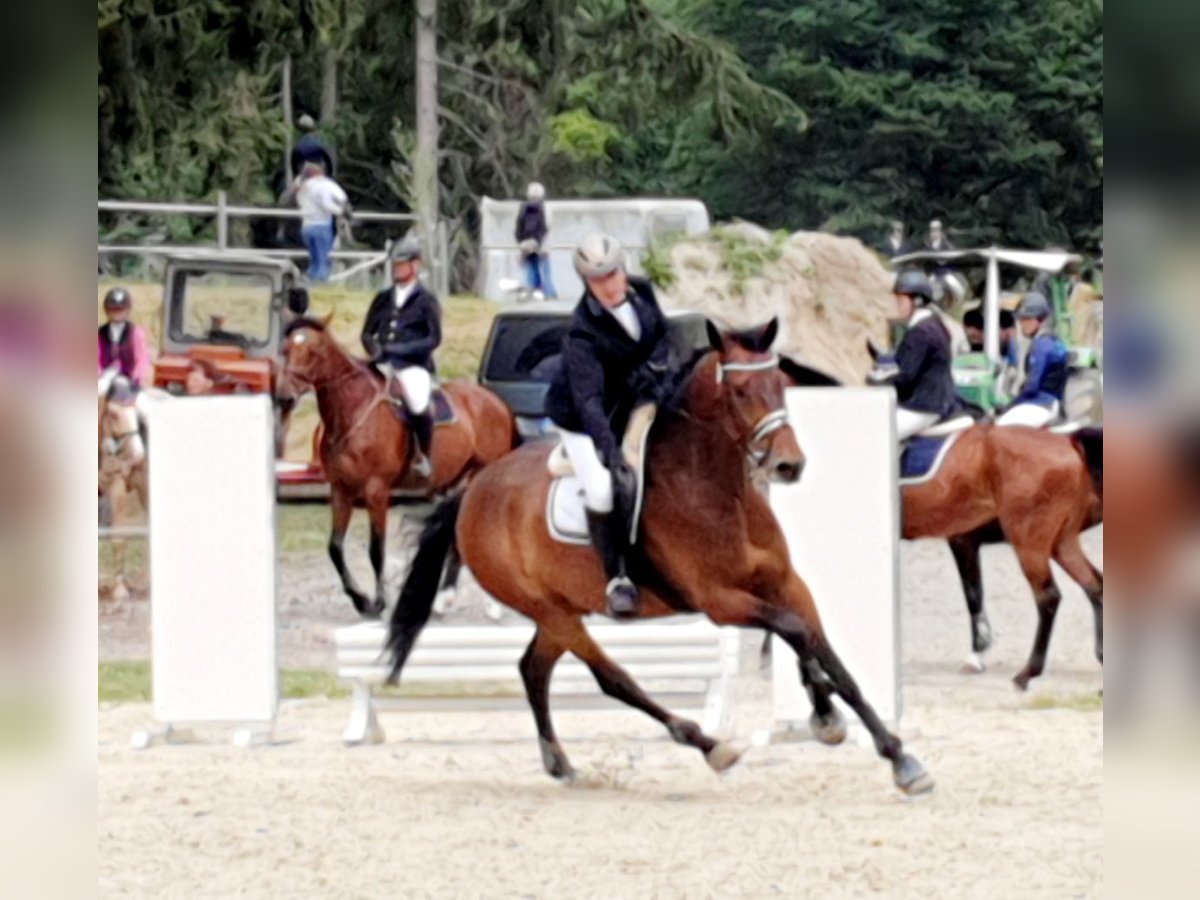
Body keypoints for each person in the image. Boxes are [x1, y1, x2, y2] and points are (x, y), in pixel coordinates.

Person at [545, 233, 674, 618]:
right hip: (583, 419)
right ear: (587, 283)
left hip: (629, 401)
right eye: (601, 280)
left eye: (615, 274)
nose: (612, 285)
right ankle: (617, 577)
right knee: (602, 488)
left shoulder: (643, 292)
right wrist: (611, 450)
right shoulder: (582, 332)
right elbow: (588, 402)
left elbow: (662, 336)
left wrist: (658, 371)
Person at [361, 236, 442, 482]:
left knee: (417, 402)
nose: (397, 269)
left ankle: (424, 457)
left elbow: (433, 339)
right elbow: (367, 332)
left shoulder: (427, 301)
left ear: (415, 265)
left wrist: (399, 350)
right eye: (395, 265)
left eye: (402, 264)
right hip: (381, 363)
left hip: (413, 366)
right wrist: (375, 351)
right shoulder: (382, 298)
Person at [870, 271, 963, 440]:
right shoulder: (932, 325)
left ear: (917, 301)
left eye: (901, 301)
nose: (897, 306)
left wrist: (879, 383)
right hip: (932, 400)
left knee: (878, 436)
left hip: (924, 405)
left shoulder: (922, 332)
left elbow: (906, 376)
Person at [996, 293, 1069, 427]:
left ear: (1039, 320)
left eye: (1025, 320)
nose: (1021, 324)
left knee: (1000, 426)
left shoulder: (1042, 345)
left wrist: (1010, 405)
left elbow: (1032, 387)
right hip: (1047, 403)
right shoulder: (1051, 340)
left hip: (1040, 404)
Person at [286, 162, 351, 282]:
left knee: (314, 260)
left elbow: (289, 198)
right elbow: (329, 203)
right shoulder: (324, 184)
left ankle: (310, 280)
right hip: (321, 225)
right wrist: (341, 211)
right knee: (322, 260)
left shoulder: (302, 185)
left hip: (306, 227)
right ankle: (320, 284)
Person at [97, 287, 152, 388]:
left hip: (128, 380)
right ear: (107, 310)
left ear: (127, 310)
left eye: (121, 309)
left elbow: (142, 357)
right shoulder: (99, 333)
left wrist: (137, 378)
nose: (117, 313)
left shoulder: (136, 333)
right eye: (113, 309)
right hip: (103, 379)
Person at [514, 182, 557, 298]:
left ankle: (534, 291)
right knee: (545, 270)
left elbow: (519, 225)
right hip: (542, 244)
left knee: (531, 269)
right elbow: (547, 226)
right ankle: (549, 293)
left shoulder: (524, 207)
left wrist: (521, 242)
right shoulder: (545, 207)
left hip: (527, 242)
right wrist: (539, 241)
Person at [290, 113, 335, 179]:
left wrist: (296, 176)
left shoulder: (299, 145)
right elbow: (327, 158)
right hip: (319, 170)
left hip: (304, 172)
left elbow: (294, 162)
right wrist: (330, 175)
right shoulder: (320, 141)